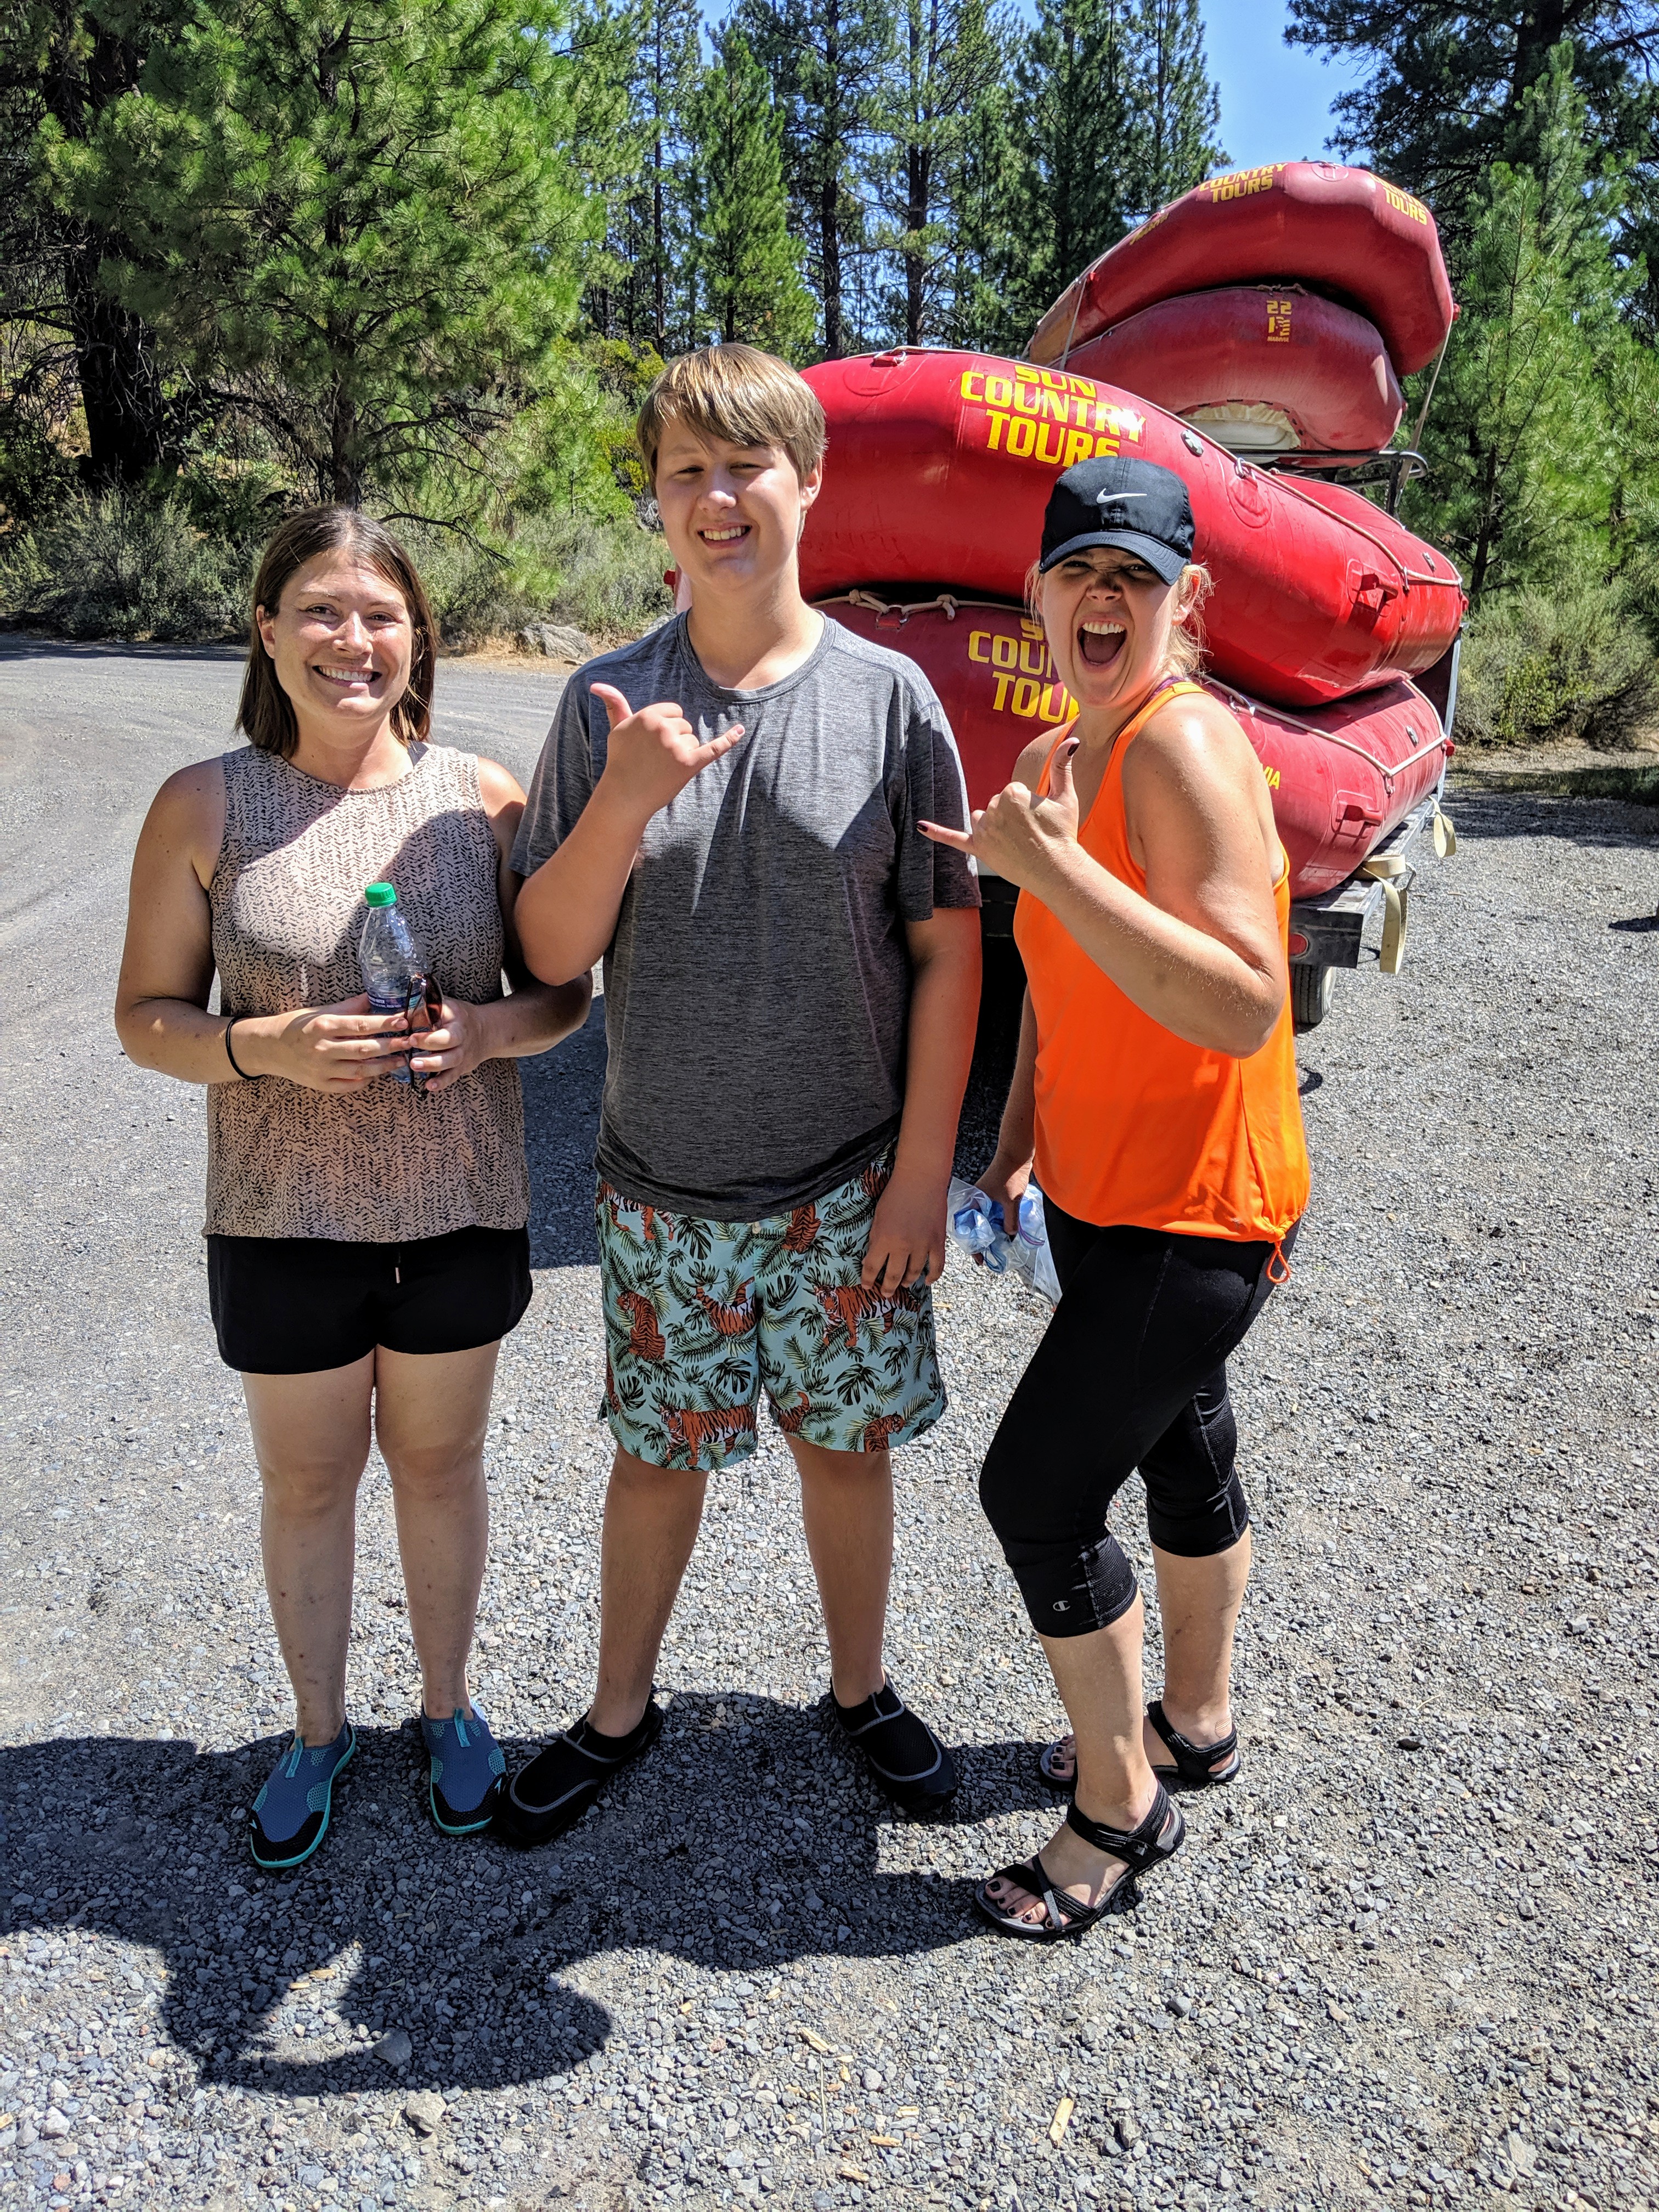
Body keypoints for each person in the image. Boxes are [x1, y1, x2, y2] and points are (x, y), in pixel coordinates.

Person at [499, 343, 983, 1844]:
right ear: (657, 503)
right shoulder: (606, 703)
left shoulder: (891, 702)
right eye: (686, 472)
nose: (718, 497)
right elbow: (550, 953)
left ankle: (861, 1690)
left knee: (846, 1451)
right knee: (656, 1463)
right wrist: (626, 795)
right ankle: (616, 1711)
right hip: (661, 1187)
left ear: (810, 481)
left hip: (848, 1186)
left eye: (747, 465)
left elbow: (949, 952)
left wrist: (923, 1174)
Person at [114, 507, 591, 1870]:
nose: (352, 640)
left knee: (440, 1468)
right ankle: (317, 1733)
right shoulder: (204, 804)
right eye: (320, 610)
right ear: (267, 631)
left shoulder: (483, 799)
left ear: (418, 639)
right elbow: (145, 1018)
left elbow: (565, 994)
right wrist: (258, 1047)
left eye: (381, 615)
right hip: (280, 1222)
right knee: (309, 1482)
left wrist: (489, 1033)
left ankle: (447, 1711)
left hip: (459, 1210)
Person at [919, 454, 1310, 1941]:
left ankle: (1117, 1807)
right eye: (1077, 571)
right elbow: (1052, 975)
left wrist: (1055, 870)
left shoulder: (1182, 744)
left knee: (1036, 1490)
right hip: (1105, 1193)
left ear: (1186, 599)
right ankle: (1194, 1722)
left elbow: (1242, 1000)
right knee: (1184, 1443)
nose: (1102, 599)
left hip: (1196, 1214)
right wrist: (1013, 1136)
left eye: (1134, 578)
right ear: (1034, 594)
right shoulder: (1053, 755)